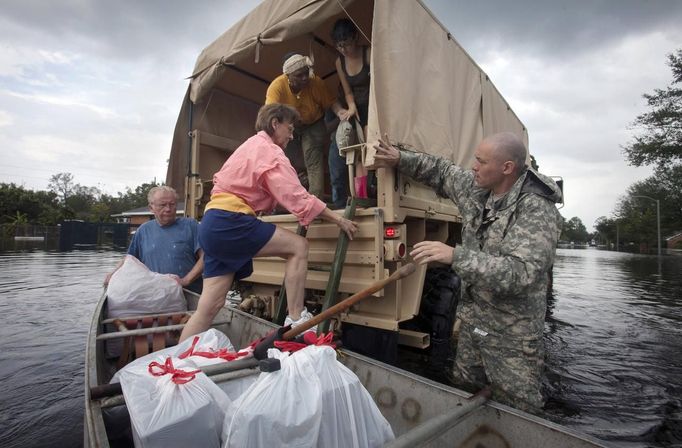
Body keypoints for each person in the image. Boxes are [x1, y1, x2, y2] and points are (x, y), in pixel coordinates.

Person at [373, 132, 562, 413]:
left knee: (519, 412)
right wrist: (401, 158)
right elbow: (441, 171)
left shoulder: (536, 209)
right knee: (464, 396)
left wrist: (455, 255)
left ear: (506, 168)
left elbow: (521, 273)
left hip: (512, 337)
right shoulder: (477, 190)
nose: (473, 166)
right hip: (474, 327)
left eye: (481, 161)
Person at [179, 103, 358, 342]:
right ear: (275, 123)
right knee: (298, 247)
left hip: (212, 223)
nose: (292, 136)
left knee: (209, 306)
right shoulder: (270, 152)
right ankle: (296, 318)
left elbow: (271, 192)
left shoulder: (249, 145)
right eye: (290, 129)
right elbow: (295, 197)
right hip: (231, 221)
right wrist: (338, 219)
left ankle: (178, 360)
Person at [265, 53, 346, 200]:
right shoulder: (277, 87)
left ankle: (315, 201)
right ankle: (287, 200)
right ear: (288, 76)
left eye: (306, 73)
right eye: (299, 75)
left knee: (313, 158)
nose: (304, 78)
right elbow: (269, 114)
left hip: (313, 123)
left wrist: (340, 112)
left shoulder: (315, 82)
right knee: (285, 159)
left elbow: (331, 102)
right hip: (290, 125)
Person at [104, 186, 204, 293]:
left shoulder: (191, 226)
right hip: (153, 294)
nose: (168, 209)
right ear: (151, 208)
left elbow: (206, 257)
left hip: (188, 293)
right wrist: (113, 273)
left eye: (172, 204)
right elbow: (130, 259)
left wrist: (185, 280)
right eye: (163, 205)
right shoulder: (143, 230)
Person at [331, 18, 371, 197]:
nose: (343, 50)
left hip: (373, 106)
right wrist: (352, 107)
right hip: (356, 107)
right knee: (356, 155)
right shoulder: (340, 61)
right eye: (339, 46)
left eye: (346, 44)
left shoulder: (368, 53)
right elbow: (347, 90)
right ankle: (360, 196)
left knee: (369, 150)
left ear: (355, 37)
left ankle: (373, 193)